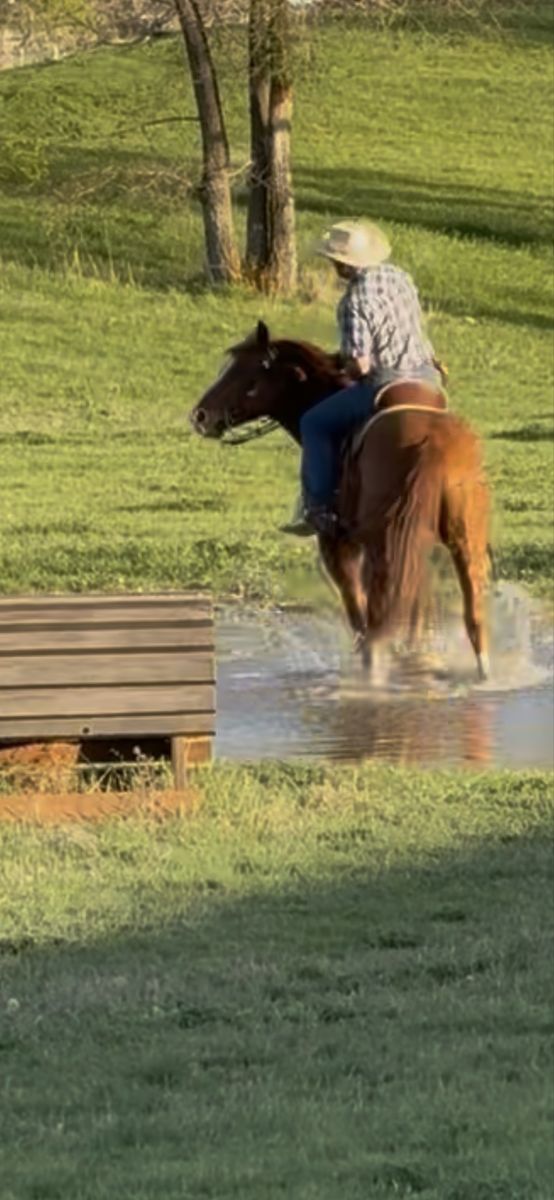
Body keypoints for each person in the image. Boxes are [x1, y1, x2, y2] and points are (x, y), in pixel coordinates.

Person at [282, 220, 441, 538]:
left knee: (314, 422)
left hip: (387, 384)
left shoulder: (353, 302)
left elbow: (361, 364)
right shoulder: (401, 278)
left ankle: (318, 507)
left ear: (343, 265)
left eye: (334, 261)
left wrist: (343, 370)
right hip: (428, 378)